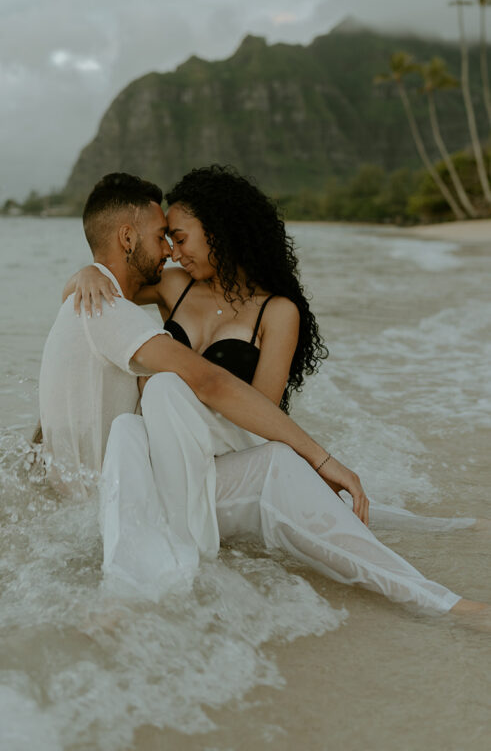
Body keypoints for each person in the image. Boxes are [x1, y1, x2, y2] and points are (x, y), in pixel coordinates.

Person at [54, 168, 487, 620]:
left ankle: (444, 601)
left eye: (180, 238)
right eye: (169, 240)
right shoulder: (172, 286)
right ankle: (130, 594)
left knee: (165, 387)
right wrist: (85, 273)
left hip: (227, 441)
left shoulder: (277, 312)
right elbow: (103, 302)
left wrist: (318, 460)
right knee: (127, 426)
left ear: (219, 232)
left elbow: (256, 409)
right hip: (166, 448)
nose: (173, 252)